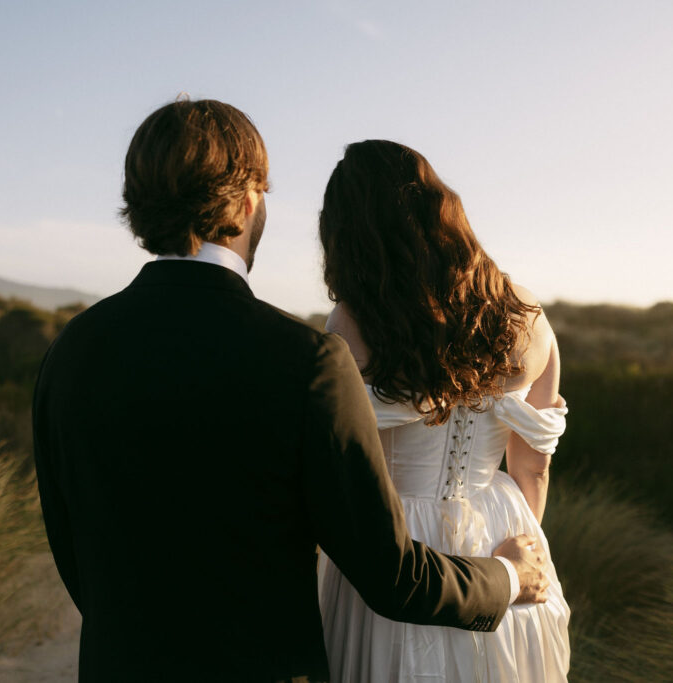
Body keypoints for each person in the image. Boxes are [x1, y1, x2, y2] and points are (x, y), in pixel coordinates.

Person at [32, 99, 548, 682]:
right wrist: (505, 576)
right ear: (249, 200)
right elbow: (390, 575)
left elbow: (70, 551)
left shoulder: (69, 353)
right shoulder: (305, 362)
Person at [316, 139, 571, 682]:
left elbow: (344, 468)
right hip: (503, 531)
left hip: (397, 546)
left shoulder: (349, 324)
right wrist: (514, 552)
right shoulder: (525, 315)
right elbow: (533, 465)